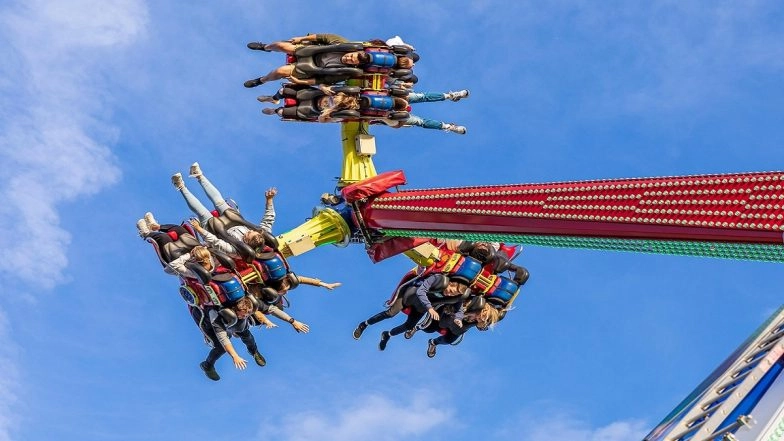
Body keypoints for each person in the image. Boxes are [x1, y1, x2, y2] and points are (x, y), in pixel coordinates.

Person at [244, 34, 414, 88]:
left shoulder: (346, 73)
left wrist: (301, 82)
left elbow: (322, 80)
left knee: (280, 71)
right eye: (352, 55)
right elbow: (323, 37)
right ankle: (265, 47)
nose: (349, 58)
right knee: (282, 45)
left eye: (352, 60)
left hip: (311, 67)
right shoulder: (344, 44)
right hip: (312, 51)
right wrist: (302, 38)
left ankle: (262, 80)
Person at [171, 162, 275, 250]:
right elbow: (268, 221)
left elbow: (216, 242)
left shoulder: (235, 250)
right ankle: (199, 175)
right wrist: (269, 200)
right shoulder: (260, 235)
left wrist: (199, 229)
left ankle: (181, 186)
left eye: (249, 234)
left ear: (246, 242)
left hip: (215, 230)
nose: (250, 230)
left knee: (203, 212)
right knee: (220, 202)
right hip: (232, 219)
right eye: (251, 231)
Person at [352, 273, 469, 350]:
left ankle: (387, 335)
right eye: (451, 291)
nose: (450, 294)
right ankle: (363, 325)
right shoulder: (437, 279)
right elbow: (421, 291)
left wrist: (458, 318)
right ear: (450, 283)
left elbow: (459, 309)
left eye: (453, 295)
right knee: (390, 313)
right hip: (409, 296)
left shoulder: (454, 297)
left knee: (409, 326)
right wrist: (430, 308)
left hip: (420, 307)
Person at [200, 295, 266, 381]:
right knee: (221, 347)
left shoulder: (240, 306)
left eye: (247, 315)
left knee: (245, 333)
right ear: (235, 310)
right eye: (243, 315)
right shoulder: (215, 315)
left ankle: (254, 351)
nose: (245, 317)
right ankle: (207, 365)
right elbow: (223, 339)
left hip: (230, 321)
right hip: (210, 326)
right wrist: (235, 356)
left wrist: (266, 320)